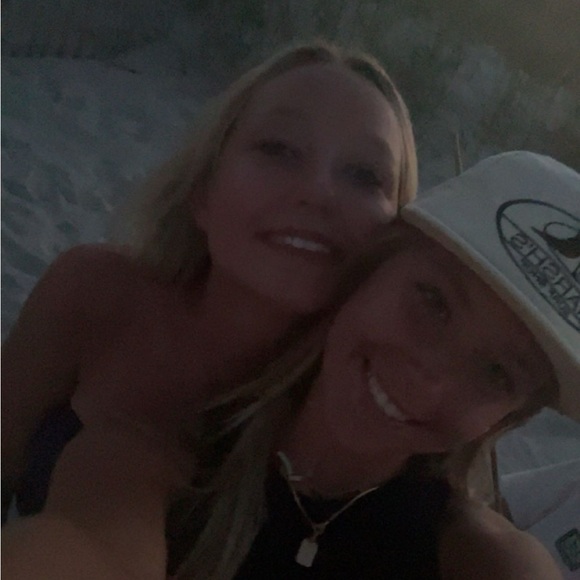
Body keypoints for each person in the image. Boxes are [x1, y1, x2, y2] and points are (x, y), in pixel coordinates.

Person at [3, 151, 577, 579]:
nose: (430, 378)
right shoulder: (144, 460)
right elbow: (90, 549)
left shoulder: (484, 561)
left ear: (509, 418)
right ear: (373, 268)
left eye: (497, 373)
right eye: (433, 301)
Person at [1, 39, 418, 521]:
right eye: (279, 149)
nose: (318, 192)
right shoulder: (92, 294)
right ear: (203, 191)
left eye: (365, 175)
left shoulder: (359, 416)